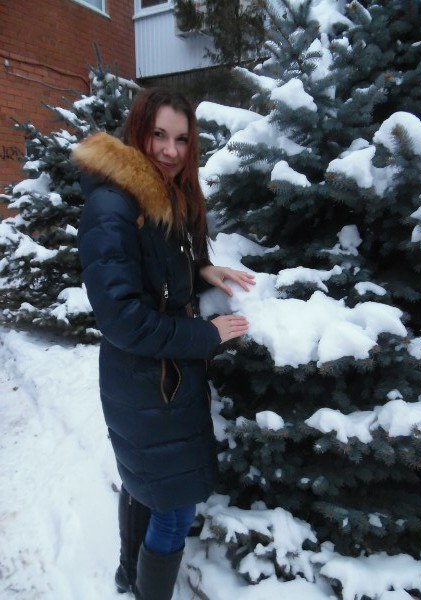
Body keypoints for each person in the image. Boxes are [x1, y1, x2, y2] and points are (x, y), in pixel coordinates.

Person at [73, 88, 254, 600]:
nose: (170, 150)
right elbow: (123, 318)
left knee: (145, 486)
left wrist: (203, 269)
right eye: (159, 135)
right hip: (147, 380)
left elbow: (159, 272)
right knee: (173, 510)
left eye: (181, 139)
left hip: (154, 380)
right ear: (138, 131)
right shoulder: (113, 206)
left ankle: (128, 575)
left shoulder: (157, 193)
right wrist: (206, 335)